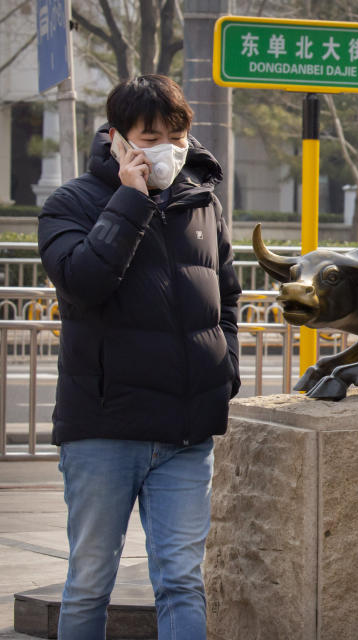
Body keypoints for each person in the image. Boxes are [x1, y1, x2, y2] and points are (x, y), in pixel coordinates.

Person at [38, 74, 241, 640]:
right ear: (117, 140)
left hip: (184, 433)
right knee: (89, 582)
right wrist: (130, 199)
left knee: (181, 581)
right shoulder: (69, 205)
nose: (169, 149)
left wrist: (224, 368)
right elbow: (83, 282)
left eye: (177, 135)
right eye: (151, 137)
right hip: (103, 430)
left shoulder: (202, 202)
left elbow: (226, 295)